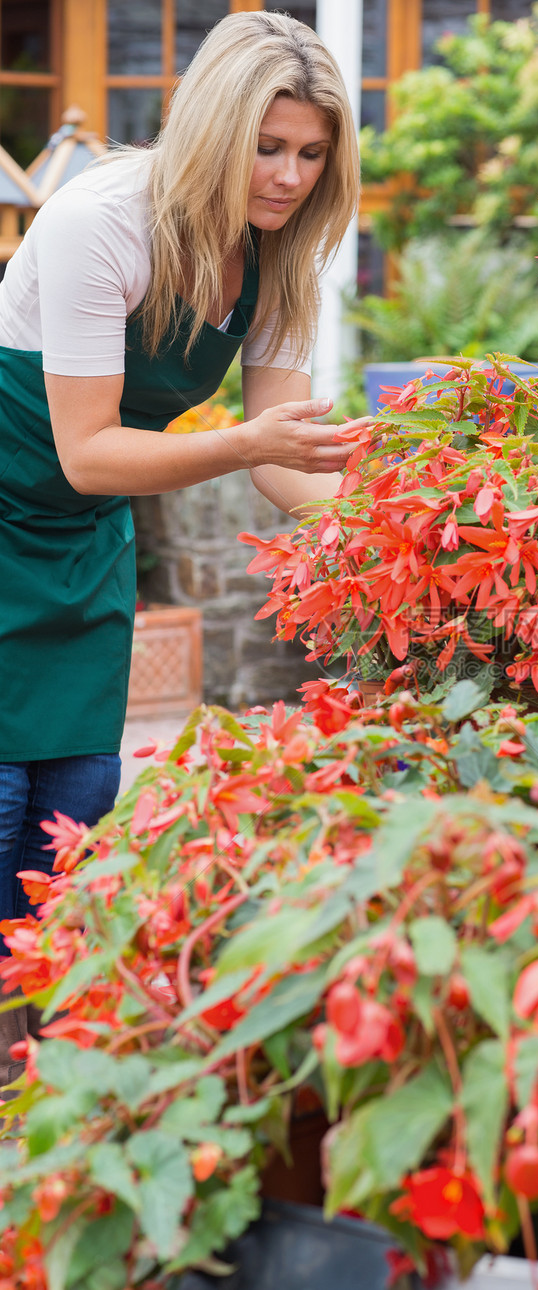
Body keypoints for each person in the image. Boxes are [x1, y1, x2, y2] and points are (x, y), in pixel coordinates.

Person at [0, 10, 362, 1089]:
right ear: (213, 129)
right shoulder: (99, 221)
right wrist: (251, 439)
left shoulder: (279, 254)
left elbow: (280, 465)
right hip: (38, 499)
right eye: (267, 146)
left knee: (69, 818)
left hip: (80, 551)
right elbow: (89, 451)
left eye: (310, 153)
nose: (290, 176)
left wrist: (389, 508)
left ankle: (38, 1089)